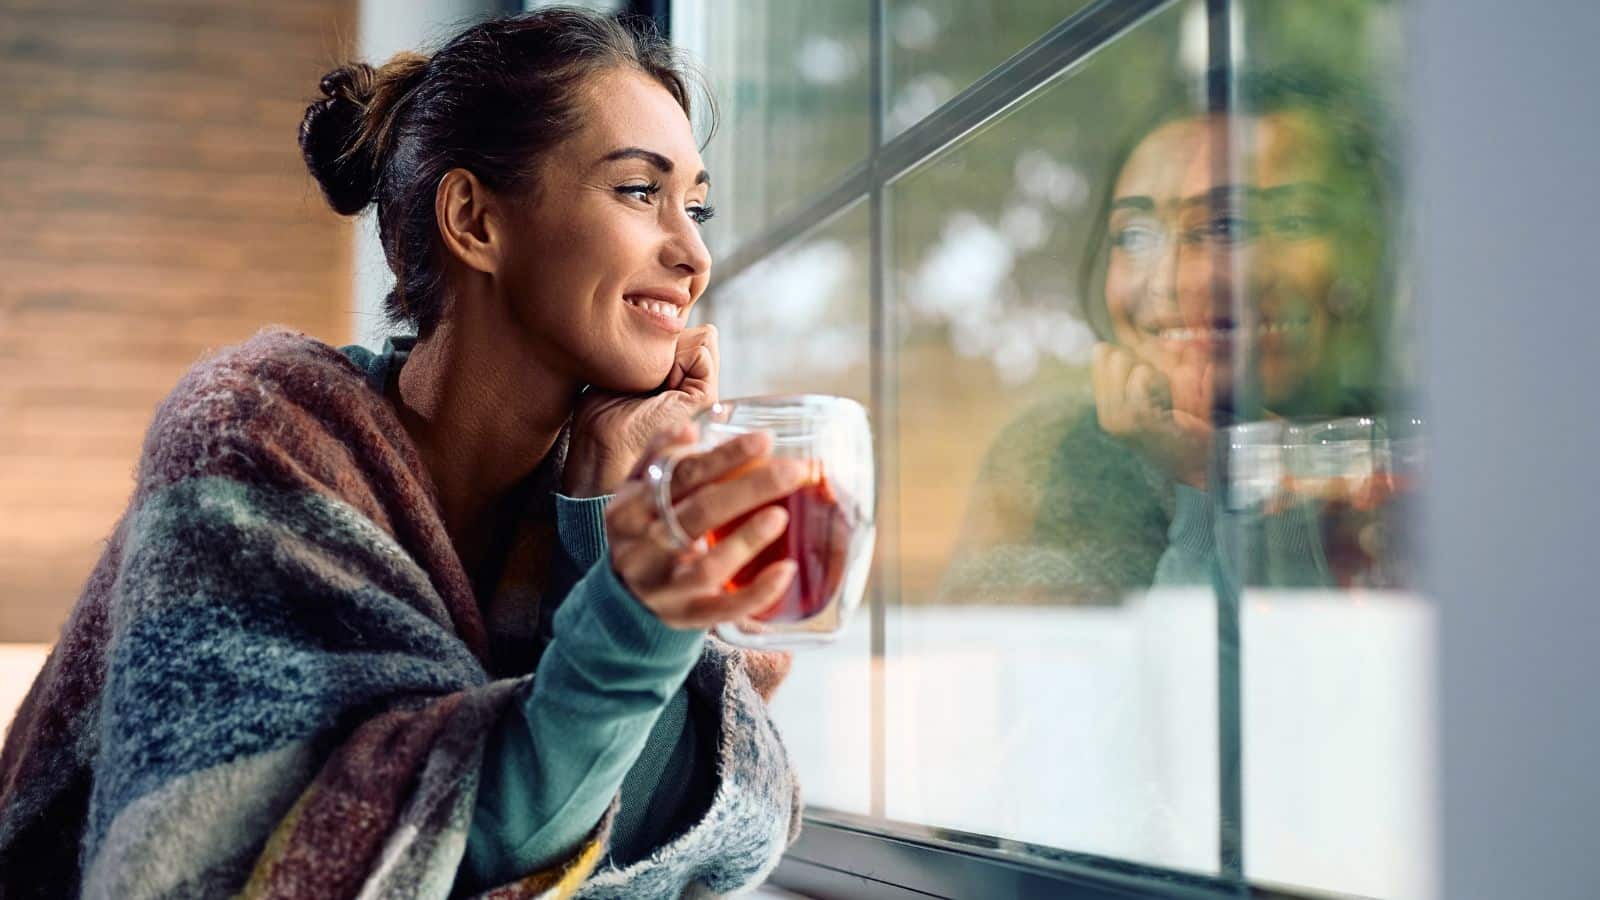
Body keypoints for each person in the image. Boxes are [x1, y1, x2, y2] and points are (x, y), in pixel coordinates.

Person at [0, 9, 806, 898]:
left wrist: (600, 512)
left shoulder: (596, 481)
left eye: (698, 205)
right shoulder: (254, 432)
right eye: (637, 192)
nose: (694, 254)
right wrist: (636, 602)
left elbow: (686, 820)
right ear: (473, 219)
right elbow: (428, 842)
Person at [941, 68, 1408, 604]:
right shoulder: (1062, 455)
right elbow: (1033, 671)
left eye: (1230, 226)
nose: (1167, 282)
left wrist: (1245, 478)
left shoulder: (1415, 455)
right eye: (1134, 235)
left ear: (1364, 256)